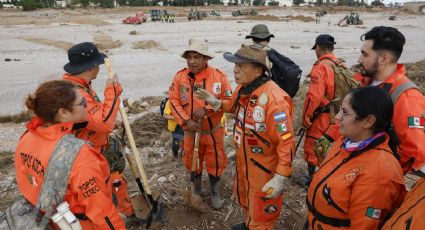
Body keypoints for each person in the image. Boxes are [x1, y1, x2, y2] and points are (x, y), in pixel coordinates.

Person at [197, 44, 295, 230]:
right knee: (246, 200)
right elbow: (233, 106)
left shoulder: (274, 100)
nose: (235, 69)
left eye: (241, 65)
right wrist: (216, 102)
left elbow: (286, 143)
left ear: (258, 70)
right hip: (245, 164)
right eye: (235, 65)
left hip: (264, 170)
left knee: (262, 213)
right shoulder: (244, 89)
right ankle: (250, 222)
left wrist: (281, 177)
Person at [15, 80, 125, 229]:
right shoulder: (80, 155)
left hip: (46, 219)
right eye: (82, 103)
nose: (87, 105)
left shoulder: (27, 137)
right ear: (63, 113)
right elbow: (102, 212)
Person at [327, 26, 424, 174]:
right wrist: (328, 137)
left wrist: (383, 177)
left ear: (383, 58)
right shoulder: (363, 83)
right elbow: (347, 116)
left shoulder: (406, 97)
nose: (359, 59)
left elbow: (414, 152)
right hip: (350, 165)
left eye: (365, 54)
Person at [307, 86, 405, 229]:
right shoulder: (345, 142)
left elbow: (363, 226)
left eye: (345, 112)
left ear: (368, 121)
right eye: (340, 109)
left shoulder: (379, 172)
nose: (337, 117)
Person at [62, 42, 133, 216]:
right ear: (91, 67)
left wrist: (111, 120)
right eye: (97, 64)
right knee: (101, 198)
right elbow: (104, 123)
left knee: (115, 183)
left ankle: (125, 213)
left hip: (93, 148)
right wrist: (113, 91)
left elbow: (95, 118)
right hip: (87, 157)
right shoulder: (76, 93)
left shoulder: (79, 85)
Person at [168, 39, 232, 209]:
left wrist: (208, 109)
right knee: (192, 162)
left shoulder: (219, 76)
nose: (192, 61)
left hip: (213, 131)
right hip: (190, 132)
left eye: (197, 57)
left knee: (215, 162)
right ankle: (196, 189)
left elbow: (229, 101)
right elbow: (173, 100)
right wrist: (185, 120)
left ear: (206, 59)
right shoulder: (180, 77)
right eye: (189, 57)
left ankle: (215, 192)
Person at [302, 34, 341, 177]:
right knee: (329, 145)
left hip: (323, 116)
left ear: (318, 48)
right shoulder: (340, 64)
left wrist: (306, 117)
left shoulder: (320, 67)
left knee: (313, 146)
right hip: (339, 114)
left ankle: (314, 180)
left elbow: (313, 96)